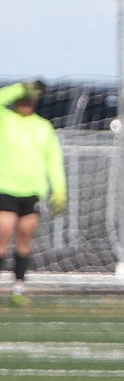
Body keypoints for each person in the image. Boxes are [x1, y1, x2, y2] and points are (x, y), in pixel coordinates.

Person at [0, 80, 66, 306]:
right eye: (24, 98)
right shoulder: (5, 119)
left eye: (31, 99)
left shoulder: (43, 127)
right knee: (2, 234)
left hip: (32, 192)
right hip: (6, 189)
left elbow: (53, 160)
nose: (28, 103)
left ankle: (18, 288)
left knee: (24, 239)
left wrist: (59, 190)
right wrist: (20, 87)